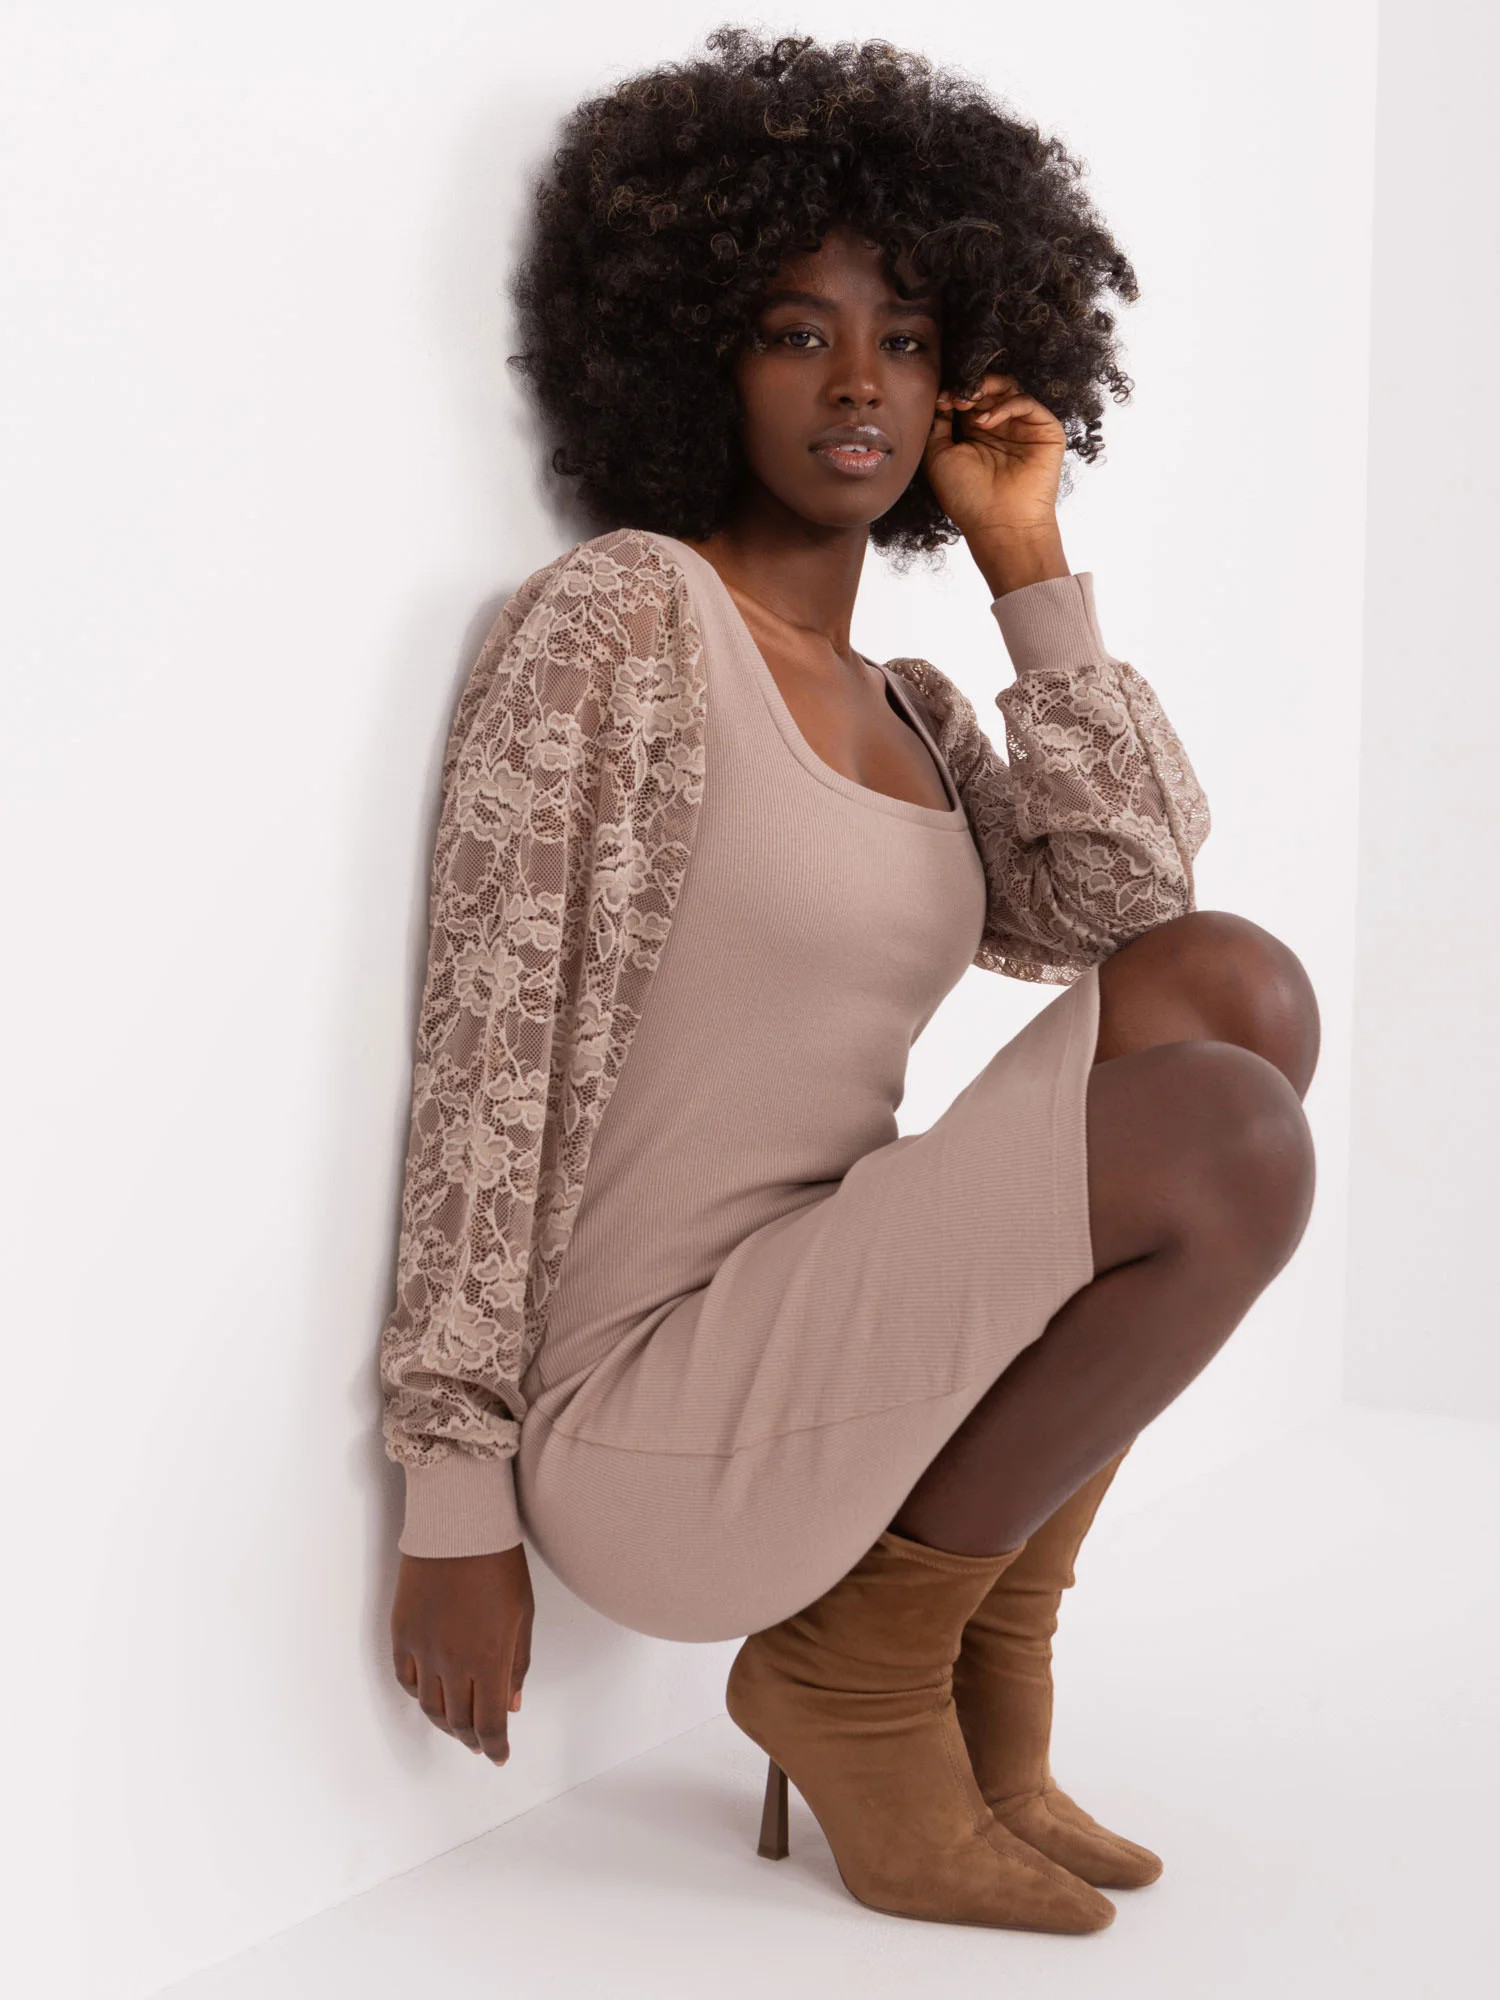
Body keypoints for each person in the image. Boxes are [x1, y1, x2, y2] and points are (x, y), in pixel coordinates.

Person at [381, 29, 1319, 1934]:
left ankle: (971, 1664)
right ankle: (855, 1680)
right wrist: (451, 1493)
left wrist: (1028, 556)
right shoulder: (625, 622)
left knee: (1239, 994)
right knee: (1222, 1140)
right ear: (689, 353)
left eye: (904, 339)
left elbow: (1138, 907)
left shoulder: (920, 714)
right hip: (656, 1415)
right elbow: (490, 1049)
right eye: (795, 333)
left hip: (839, 1336)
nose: (857, 384)